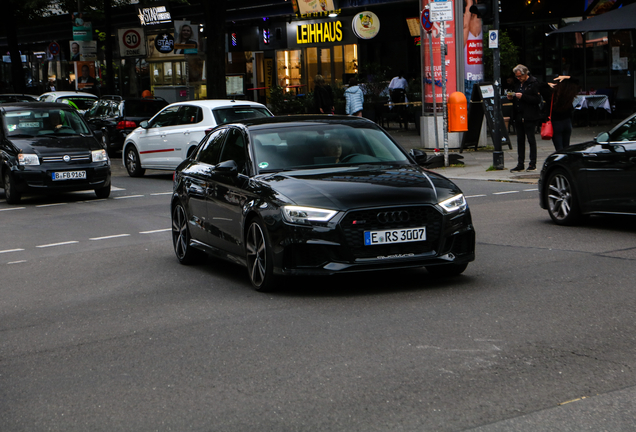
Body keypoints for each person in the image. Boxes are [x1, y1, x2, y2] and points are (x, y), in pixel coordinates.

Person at [508, 64, 542, 172]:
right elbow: (517, 98)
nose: (518, 78)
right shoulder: (519, 84)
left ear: (525, 74)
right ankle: (520, 163)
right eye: (517, 77)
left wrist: (523, 96)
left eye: (520, 76)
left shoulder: (533, 83)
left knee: (531, 139)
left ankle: (532, 163)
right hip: (519, 115)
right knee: (520, 140)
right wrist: (512, 98)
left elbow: (537, 99)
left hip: (530, 115)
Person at [547, 76, 580, 151]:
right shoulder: (568, 94)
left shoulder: (552, 95)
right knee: (566, 147)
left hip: (556, 123)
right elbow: (576, 81)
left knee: (559, 148)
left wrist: (548, 84)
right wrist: (567, 77)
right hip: (567, 122)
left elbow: (539, 85)